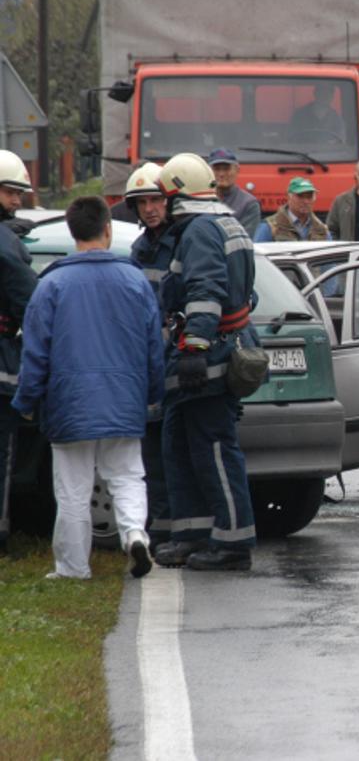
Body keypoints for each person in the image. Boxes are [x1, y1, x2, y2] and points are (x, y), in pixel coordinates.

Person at [12, 196, 164, 580]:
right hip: (124, 397)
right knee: (128, 475)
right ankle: (133, 534)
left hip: (69, 403)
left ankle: (73, 567)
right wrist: (153, 392)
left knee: (73, 490)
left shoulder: (51, 285)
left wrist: (27, 399)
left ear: (71, 231)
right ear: (108, 229)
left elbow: (36, 351)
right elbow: (153, 346)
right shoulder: (135, 280)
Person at [151, 153, 259, 571]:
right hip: (214, 350)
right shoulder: (225, 221)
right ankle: (193, 534)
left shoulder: (199, 230)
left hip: (207, 357)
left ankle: (233, 544)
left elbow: (205, 290)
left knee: (214, 449)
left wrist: (194, 347)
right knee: (180, 444)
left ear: (178, 195)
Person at [126, 162, 177, 544]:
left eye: (156, 199)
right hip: (149, 364)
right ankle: (160, 531)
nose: (149, 209)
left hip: (182, 359)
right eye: (142, 202)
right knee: (154, 456)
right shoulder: (139, 250)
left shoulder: (185, 241)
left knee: (180, 451)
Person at [0, 150, 36, 553]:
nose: (17, 201)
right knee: (2, 453)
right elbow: (33, 304)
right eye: (10, 193)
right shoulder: (7, 248)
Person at [255, 177, 329, 242]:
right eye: (300, 196)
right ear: (289, 197)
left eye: (309, 197)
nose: (306, 201)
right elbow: (258, 255)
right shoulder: (269, 227)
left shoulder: (322, 229)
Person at [208, 148, 262, 237]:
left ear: (237, 170)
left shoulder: (249, 204)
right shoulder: (200, 199)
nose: (221, 174)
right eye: (217, 169)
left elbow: (246, 239)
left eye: (226, 169)